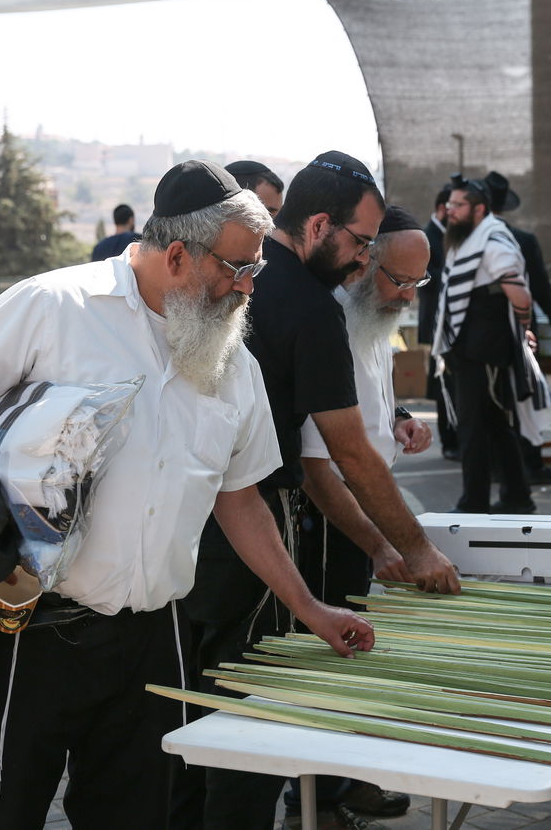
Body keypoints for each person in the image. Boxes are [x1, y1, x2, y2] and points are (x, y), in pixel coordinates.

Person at [0, 160, 374, 830]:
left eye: (256, 273)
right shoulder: (52, 309)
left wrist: (309, 606)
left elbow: (240, 498)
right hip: (28, 633)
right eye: (237, 270)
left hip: (153, 641)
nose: (247, 290)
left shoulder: (233, 365)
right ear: (179, 255)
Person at [180, 151, 460, 830]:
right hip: (251, 532)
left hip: (189, 530)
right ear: (318, 226)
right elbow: (349, 456)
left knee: (195, 715)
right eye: (361, 243)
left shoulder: (243, 279)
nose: (363, 261)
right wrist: (415, 550)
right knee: (253, 715)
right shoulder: (311, 309)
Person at [277, 208, 433, 828]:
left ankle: (347, 781)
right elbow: (322, 466)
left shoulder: (375, 318)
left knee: (360, 655)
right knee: (333, 657)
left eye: (419, 285)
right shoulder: (328, 320)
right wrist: (383, 544)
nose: (406, 295)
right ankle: (309, 800)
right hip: (334, 526)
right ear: (365, 262)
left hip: (364, 518)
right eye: (399, 280)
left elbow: (369, 406)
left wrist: (399, 422)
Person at [435, 175, 538, 514]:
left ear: (479, 209)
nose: (451, 211)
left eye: (458, 205)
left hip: (484, 351)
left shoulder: (492, 241)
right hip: (473, 349)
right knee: (493, 424)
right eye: (450, 205)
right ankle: (517, 496)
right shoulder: (473, 238)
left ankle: (475, 502)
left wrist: (523, 328)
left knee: (475, 429)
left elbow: (519, 291)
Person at [482, 170, 551, 486]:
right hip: (521, 329)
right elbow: (540, 285)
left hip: (488, 336)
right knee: (527, 397)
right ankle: (531, 462)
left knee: (495, 402)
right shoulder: (524, 240)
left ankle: (499, 465)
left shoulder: (475, 239)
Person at [417, 184, 458, 460]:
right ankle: (450, 440)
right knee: (444, 384)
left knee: (455, 384)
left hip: (455, 323)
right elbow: (424, 277)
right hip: (437, 323)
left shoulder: (452, 235)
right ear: (442, 209)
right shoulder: (426, 237)